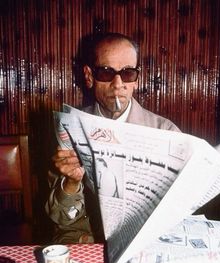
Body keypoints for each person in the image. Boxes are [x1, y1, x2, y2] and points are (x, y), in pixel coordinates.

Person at [45, 32, 180, 244]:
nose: (118, 84)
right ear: (89, 76)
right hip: (86, 237)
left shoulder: (165, 132)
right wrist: (71, 182)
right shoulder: (70, 128)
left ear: (136, 79)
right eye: (107, 73)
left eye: (127, 74)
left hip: (144, 239)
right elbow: (61, 218)